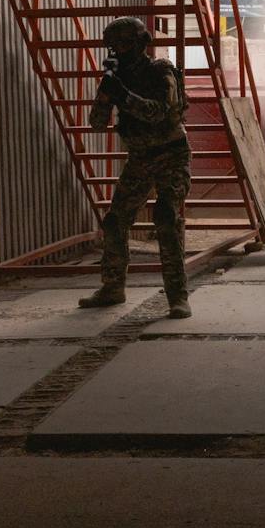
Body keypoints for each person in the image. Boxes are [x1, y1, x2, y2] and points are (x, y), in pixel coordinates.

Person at [78, 16, 193, 318]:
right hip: (141, 157)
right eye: (114, 46)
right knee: (115, 222)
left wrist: (123, 97)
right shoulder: (118, 77)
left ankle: (178, 297)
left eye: (125, 44)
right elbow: (97, 124)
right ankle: (112, 287)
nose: (119, 50)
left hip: (171, 154)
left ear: (142, 44)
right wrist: (106, 95)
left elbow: (160, 112)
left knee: (166, 218)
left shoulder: (161, 71)